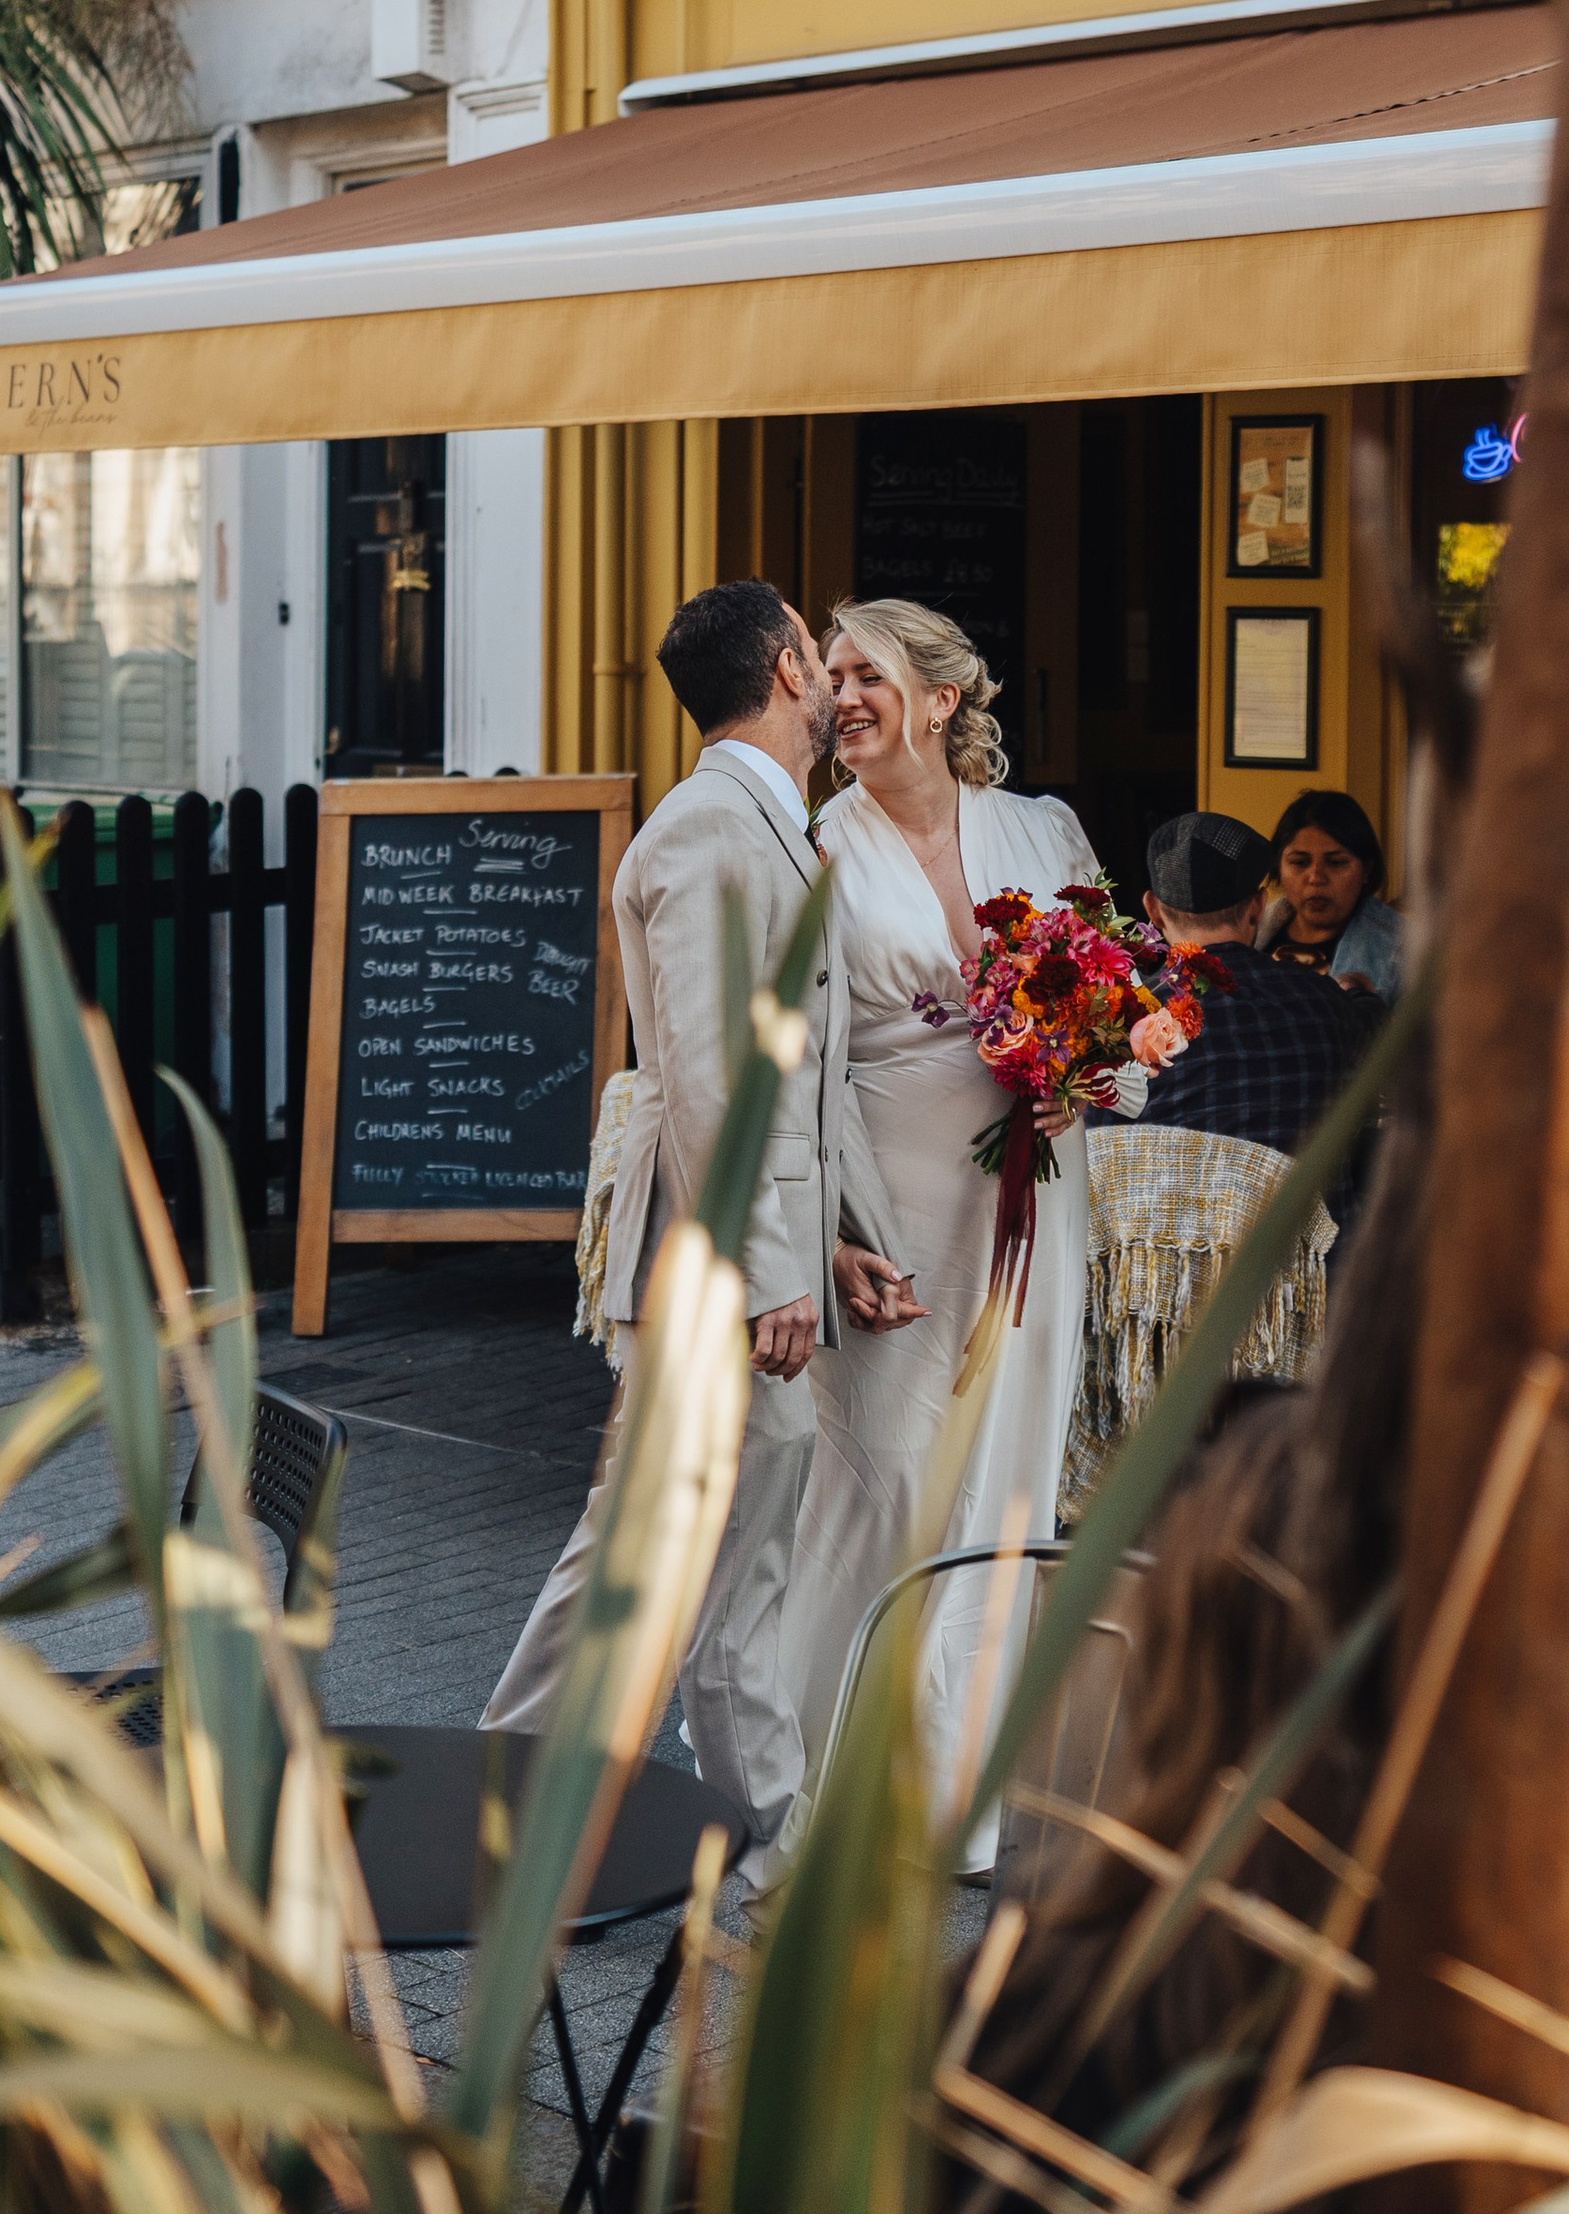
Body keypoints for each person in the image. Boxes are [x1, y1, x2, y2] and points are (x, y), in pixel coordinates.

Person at [481, 578, 916, 1892]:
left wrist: (832, 1240)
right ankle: (517, 1809)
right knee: (673, 1550)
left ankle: (735, 1831)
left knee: (723, 1556)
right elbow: (729, 1076)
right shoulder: (712, 834)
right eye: (817, 654)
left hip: (738, 1260)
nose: (837, 682)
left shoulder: (758, 823)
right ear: (787, 667)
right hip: (713, 1270)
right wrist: (769, 1269)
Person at [774, 595, 1099, 1858]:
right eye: (830, 673)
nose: (838, 694)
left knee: (1005, 1473)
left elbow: (1111, 998)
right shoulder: (815, 848)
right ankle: (823, 1768)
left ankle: (956, 1790)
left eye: (865, 674)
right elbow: (801, 1066)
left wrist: (1090, 1075)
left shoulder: (1040, 828)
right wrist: (833, 1229)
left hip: (1038, 1197)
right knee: (883, 1473)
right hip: (893, 1202)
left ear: (944, 699)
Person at [1119, 809, 1385, 1198]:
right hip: (1305, 1252)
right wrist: (1359, 993)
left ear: (1153, 910)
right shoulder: (1324, 1002)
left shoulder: (1117, 1022)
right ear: (1259, 906)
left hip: (1163, 1251)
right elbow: (1383, 1047)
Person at [1259, 788, 1405, 1000]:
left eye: (1335, 863)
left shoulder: (1401, 947)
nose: (1316, 877)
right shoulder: (1251, 930)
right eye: (1300, 862)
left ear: (1366, 870)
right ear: (1278, 866)